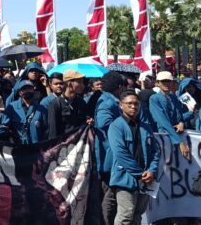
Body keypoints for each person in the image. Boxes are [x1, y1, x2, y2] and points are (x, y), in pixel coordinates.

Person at [108, 89, 160, 225]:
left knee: (138, 215)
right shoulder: (116, 126)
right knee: (125, 216)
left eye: (136, 104)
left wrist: (152, 170)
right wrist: (140, 173)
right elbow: (120, 154)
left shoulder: (146, 127)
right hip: (125, 178)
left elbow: (155, 151)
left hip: (145, 179)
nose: (133, 107)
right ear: (121, 105)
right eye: (129, 103)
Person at [94, 71, 127, 225]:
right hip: (109, 157)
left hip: (113, 155)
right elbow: (103, 123)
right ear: (119, 87)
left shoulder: (110, 101)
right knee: (110, 196)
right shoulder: (107, 103)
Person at [150, 71, 191, 160]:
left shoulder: (174, 97)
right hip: (163, 136)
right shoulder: (154, 99)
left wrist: (181, 123)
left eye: (168, 81)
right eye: (163, 81)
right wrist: (179, 142)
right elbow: (163, 122)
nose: (166, 84)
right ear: (157, 83)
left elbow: (180, 116)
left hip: (177, 134)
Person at [47, 69, 92, 139]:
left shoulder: (81, 102)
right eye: (79, 82)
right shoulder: (55, 104)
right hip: (63, 146)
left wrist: (88, 121)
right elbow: (53, 133)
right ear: (69, 83)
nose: (82, 85)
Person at [5, 80, 46, 144]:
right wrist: (10, 140)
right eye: (24, 89)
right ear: (19, 92)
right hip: (18, 146)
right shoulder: (11, 107)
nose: (27, 91)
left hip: (36, 146)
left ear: (33, 90)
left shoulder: (41, 108)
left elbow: (45, 129)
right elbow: (6, 127)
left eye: (29, 88)